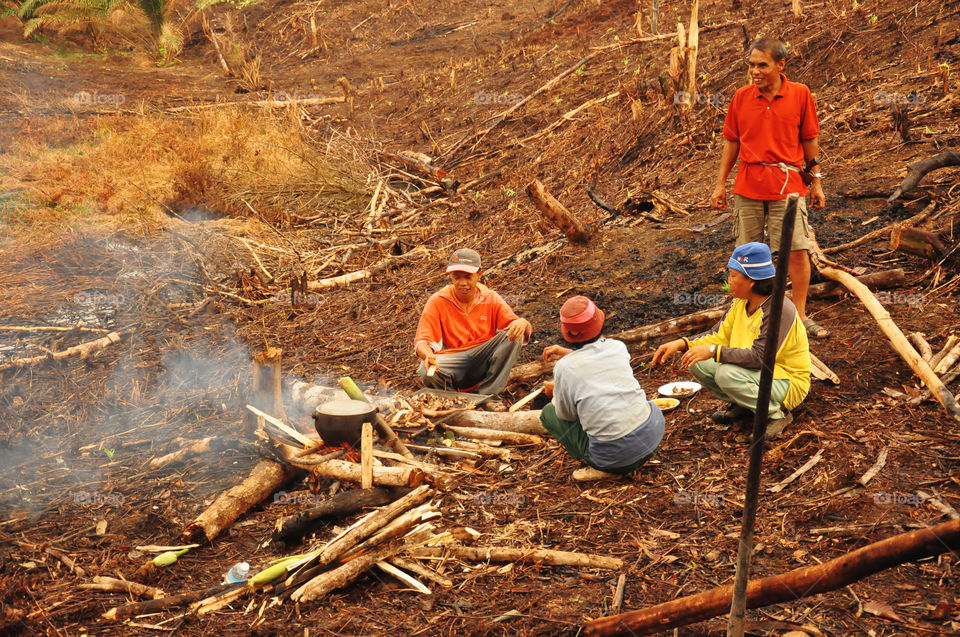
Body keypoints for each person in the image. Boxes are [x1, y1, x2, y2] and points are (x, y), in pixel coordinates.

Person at [711, 37, 829, 339]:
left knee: (797, 251)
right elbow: (732, 142)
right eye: (751, 65)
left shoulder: (800, 95)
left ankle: (799, 316)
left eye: (762, 65)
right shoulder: (741, 97)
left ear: (780, 65)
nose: (755, 71)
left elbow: (809, 141)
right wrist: (720, 184)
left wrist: (816, 183)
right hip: (748, 186)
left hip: (789, 186)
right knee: (744, 255)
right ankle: (746, 317)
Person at [651, 242, 810, 439]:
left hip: (788, 381)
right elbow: (717, 335)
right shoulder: (741, 303)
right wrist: (681, 344)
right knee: (696, 361)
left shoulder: (778, 310)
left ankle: (777, 415)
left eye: (733, 276)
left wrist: (713, 351)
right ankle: (746, 405)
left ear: (751, 280)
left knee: (726, 374)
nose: (729, 281)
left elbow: (760, 358)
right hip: (757, 373)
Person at [539, 296, 664, 481]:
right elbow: (598, 361)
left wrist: (556, 395)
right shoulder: (618, 347)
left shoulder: (564, 368)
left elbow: (566, 416)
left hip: (617, 458)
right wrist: (569, 355)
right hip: (653, 435)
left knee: (549, 413)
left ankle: (602, 466)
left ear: (566, 331)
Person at [414, 248, 532, 395]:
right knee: (424, 370)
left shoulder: (490, 298)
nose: (462, 283)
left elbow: (516, 327)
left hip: (483, 358)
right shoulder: (438, 301)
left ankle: (487, 395)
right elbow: (422, 341)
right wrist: (428, 355)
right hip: (454, 361)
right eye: (457, 277)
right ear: (451, 276)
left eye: (468, 277)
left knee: (515, 334)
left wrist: (522, 322)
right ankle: (453, 398)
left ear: (479, 274)